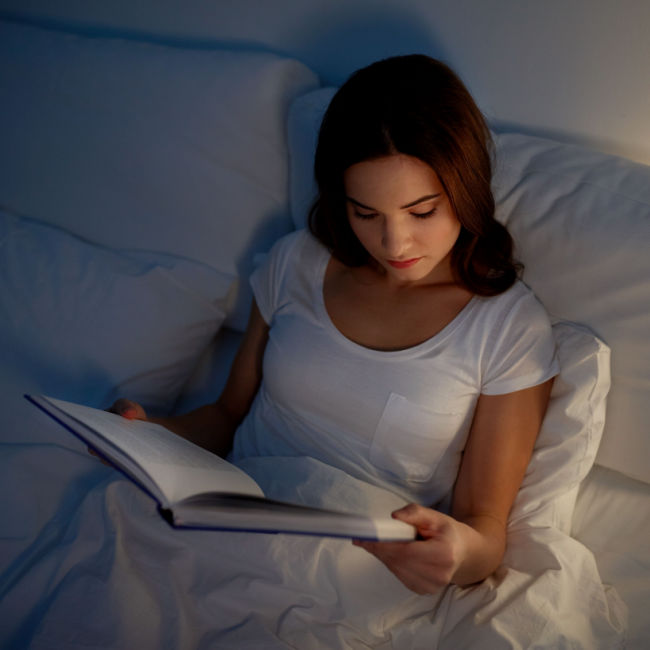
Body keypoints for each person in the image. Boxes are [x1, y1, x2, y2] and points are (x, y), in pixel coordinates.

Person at [110, 55, 558, 596]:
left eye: (421, 212)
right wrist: (147, 433)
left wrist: (458, 552)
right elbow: (227, 416)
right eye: (365, 214)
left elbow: (484, 528)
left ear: (466, 190)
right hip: (223, 522)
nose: (395, 245)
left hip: (350, 576)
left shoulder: (508, 329)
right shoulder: (296, 262)